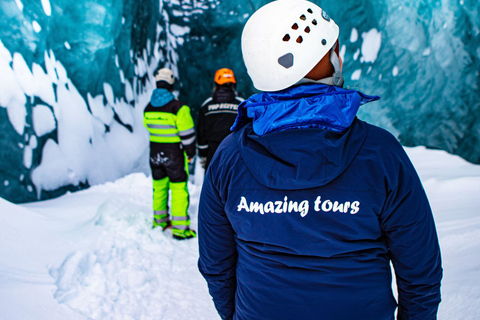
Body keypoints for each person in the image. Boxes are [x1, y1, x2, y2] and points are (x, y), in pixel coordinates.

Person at [198, 1, 442, 319]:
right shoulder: (380, 153)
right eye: (334, 49)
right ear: (323, 59)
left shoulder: (229, 158)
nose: (340, 56)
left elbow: (216, 265)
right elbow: (420, 272)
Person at [144, 67, 197, 240]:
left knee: (159, 188)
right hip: (174, 155)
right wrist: (190, 153)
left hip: (155, 154)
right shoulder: (178, 108)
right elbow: (187, 135)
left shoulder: (148, 108)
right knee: (179, 190)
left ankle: (159, 222)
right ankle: (180, 229)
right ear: (171, 85)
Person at [196, 68, 244, 171]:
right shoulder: (241, 104)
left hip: (213, 152)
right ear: (233, 84)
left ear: (216, 84)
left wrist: (203, 152)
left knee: (212, 183)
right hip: (235, 150)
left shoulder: (206, 105)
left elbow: (201, 131)